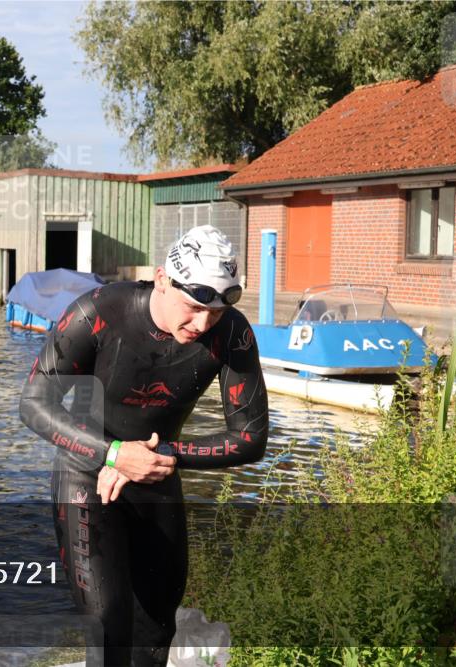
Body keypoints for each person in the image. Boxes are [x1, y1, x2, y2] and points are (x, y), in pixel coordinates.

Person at [19, 225, 269, 666]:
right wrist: (114, 453)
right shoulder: (98, 313)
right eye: (193, 309)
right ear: (160, 279)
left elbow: (250, 438)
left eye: (213, 314)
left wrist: (164, 455)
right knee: (109, 622)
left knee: (156, 629)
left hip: (156, 475)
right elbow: (34, 404)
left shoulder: (231, 333)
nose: (202, 324)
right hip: (86, 477)